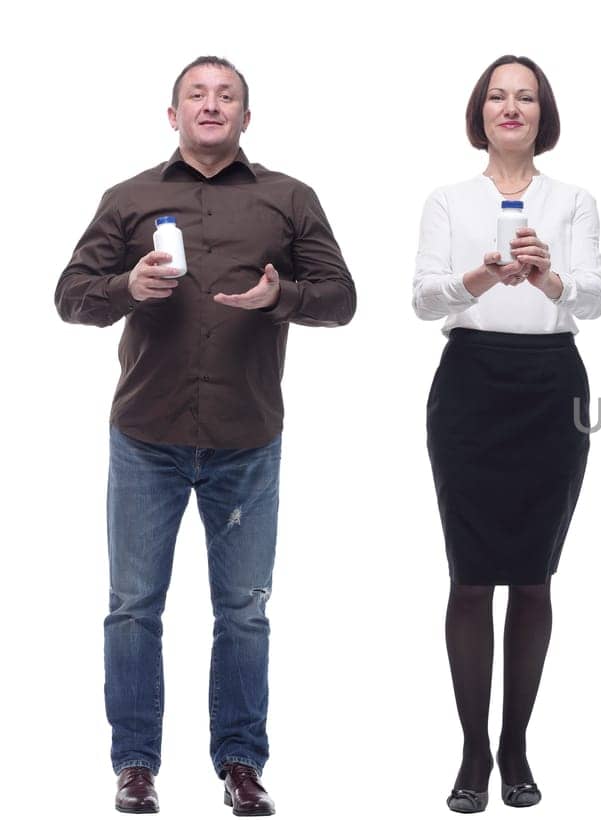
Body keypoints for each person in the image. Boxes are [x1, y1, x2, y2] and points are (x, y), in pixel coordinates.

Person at [55, 55, 356, 816]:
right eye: (197, 95)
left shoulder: (290, 198)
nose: (211, 105)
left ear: (247, 118)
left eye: (227, 96)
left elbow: (341, 298)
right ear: (173, 114)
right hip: (146, 436)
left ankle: (241, 764)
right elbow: (68, 297)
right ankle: (134, 766)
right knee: (133, 606)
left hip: (247, 438)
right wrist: (128, 287)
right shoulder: (130, 198)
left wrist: (277, 295)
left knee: (244, 610)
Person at [413, 54, 601, 814]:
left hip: (551, 386)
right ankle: (471, 753)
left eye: (525, 96)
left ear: (542, 113)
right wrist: (481, 279)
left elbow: (593, 296)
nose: (511, 107)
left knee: (533, 575)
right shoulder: (447, 200)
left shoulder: (574, 200)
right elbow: (425, 300)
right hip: (470, 385)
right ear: (480, 112)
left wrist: (549, 276)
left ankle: (517, 747)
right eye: (498, 96)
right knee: (468, 575)